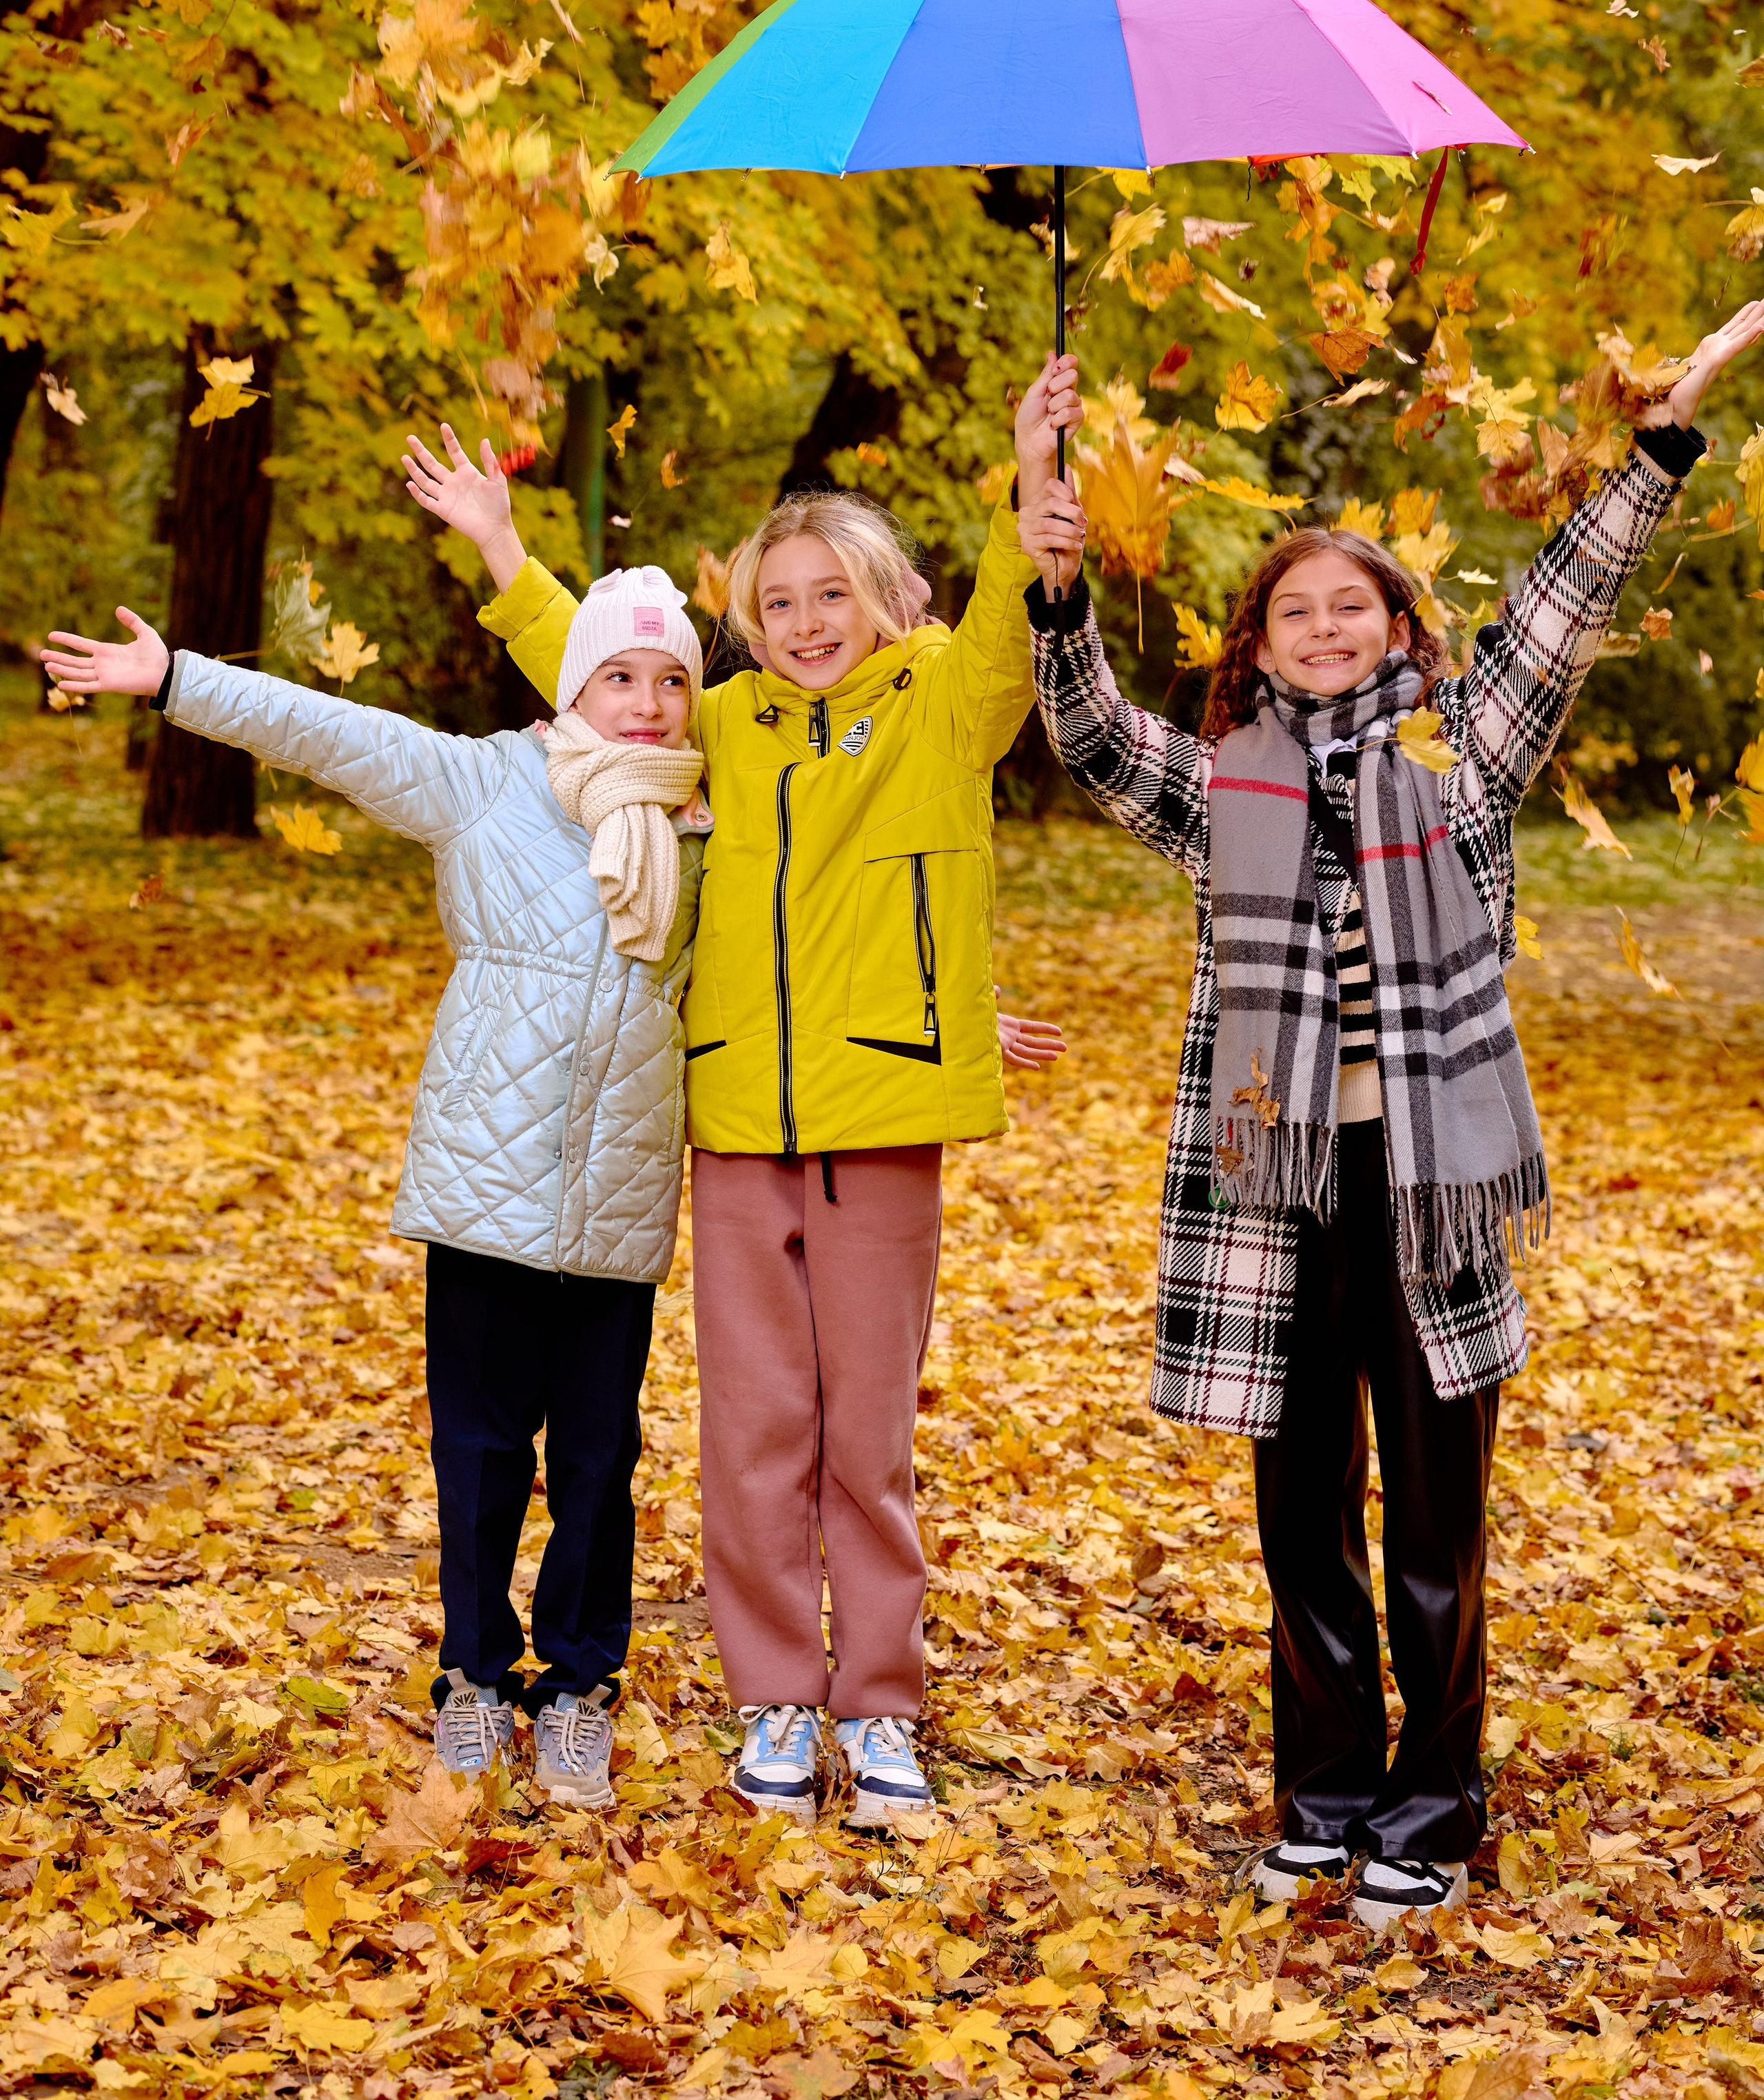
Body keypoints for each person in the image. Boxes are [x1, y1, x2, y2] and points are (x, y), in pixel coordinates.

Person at [1015, 300, 1763, 1930]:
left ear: (1397, 625)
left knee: (1432, 1520)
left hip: (1425, 1183)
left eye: (1350, 605)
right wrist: (1052, 569)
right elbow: (1084, 736)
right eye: (1295, 610)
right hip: (1276, 1194)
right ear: (1257, 639)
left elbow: (1561, 621)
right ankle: (1323, 1795)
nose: (1324, 627)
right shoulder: (1223, 787)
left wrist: (1658, 439)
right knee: (1300, 1524)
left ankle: (1431, 1803)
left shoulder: (1461, 751)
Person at [407, 358, 1076, 1828]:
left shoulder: (944, 706)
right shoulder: (730, 729)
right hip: (734, 1131)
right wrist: (507, 558)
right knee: (757, 1431)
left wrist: (1032, 471)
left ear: (887, 596)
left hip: (881, 1121)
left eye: (828, 594)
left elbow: (1010, 621)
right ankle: (774, 1696)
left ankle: (880, 1707)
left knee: (867, 1439)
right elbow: (604, 694)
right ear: (748, 626)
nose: (803, 624)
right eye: (775, 605)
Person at [43, 564, 715, 1812]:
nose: (645, 703)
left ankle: (575, 1689)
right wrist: (177, 679)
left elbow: (806, 956)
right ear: (574, 686)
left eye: (671, 680)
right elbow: (330, 732)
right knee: (478, 1451)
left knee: (597, 1463)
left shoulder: (706, 831)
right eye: (617, 675)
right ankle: (473, 1673)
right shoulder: (488, 785)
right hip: (484, 1186)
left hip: (618, 1201)